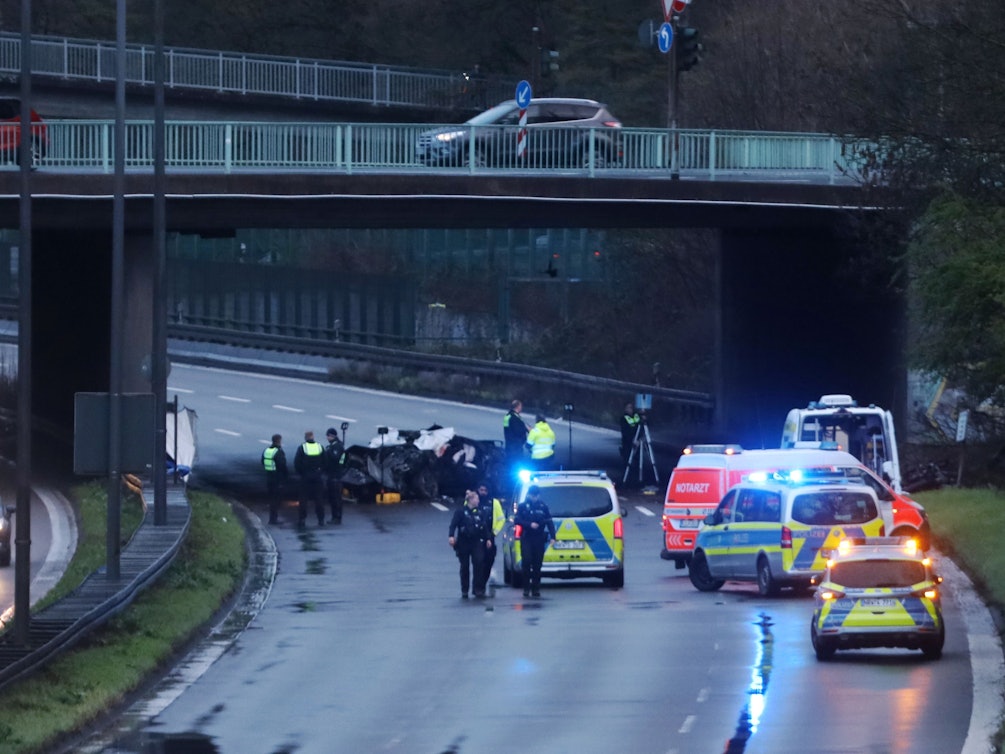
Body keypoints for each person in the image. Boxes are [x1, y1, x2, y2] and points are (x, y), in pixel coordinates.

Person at [514, 485, 556, 598]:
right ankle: (526, 588)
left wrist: (553, 536)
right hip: (527, 537)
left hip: (539, 538)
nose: (535, 498)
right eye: (533, 495)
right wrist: (529, 524)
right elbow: (517, 520)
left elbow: (549, 522)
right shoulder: (523, 506)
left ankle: (536, 588)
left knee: (537, 564)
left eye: (536, 495)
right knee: (527, 562)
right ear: (529, 495)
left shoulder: (543, 506)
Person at [448, 489, 491, 599]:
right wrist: (451, 536)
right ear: (471, 500)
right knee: (464, 566)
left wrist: (488, 539)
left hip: (476, 542)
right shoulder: (460, 512)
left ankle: (478, 589)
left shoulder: (480, 512)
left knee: (479, 564)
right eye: (477, 498)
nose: (478, 500)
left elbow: (484, 527)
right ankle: (465, 590)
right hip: (464, 542)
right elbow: (453, 525)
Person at [476, 481, 506, 593]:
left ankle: (483, 582)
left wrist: (495, 532)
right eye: (481, 490)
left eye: (485, 490)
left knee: (489, 560)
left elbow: (501, 519)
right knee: (478, 562)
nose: (483, 493)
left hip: (490, 536)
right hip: (476, 537)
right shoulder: (474, 501)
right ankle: (478, 587)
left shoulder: (494, 503)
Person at [294, 430, 326, 528]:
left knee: (303, 499)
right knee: (319, 499)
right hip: (317, 476)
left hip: (306, 477)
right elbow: (325, 461)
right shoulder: (319, 447)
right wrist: (320, 472)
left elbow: (297, 463)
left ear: (305, 438)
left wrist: (302, 473)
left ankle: (302, 520)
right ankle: (321, 520)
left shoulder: (302, 448)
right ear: (313, 437)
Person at [262, 433, 288, 525]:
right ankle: (274, 519)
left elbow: (263, 462)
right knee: (276, 499)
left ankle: (272, 518)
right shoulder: (278, 452)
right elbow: (282, 465)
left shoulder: (267, 451)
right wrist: (285, 477)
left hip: (269, 477)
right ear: (279, 441)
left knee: (272, 499)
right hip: (277, 479)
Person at [324, 427, 346, 524]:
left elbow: (335, 458)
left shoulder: (337, 446)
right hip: (333, 474)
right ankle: (335, 517)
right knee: (332, 497)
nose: (327, 438)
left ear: (331, 436)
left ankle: (337, 517)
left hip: (335, 475)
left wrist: (327, 452)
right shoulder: (334, 446)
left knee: (336, 497)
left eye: (328, 436)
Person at [503, 399, 530, 474]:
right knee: (517, 467)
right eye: (521, 406)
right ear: (518, 407)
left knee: (510, 466)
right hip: (515, 447)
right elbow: (518, 431)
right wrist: (526, 429)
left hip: (509, 445)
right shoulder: (514, 418)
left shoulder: (508, 416)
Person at [620, 402, 642, 469]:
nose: (630, 409)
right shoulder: (624, 418)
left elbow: (641, 427)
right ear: (625, 409)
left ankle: (636, 468)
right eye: (628, 408)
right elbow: (625, 431)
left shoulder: (636, 416)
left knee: (637, 458)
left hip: (637, 440)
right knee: (627, 459)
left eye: (631, 408)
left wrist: (638, 439)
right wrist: (632, 440)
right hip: (627, 441)